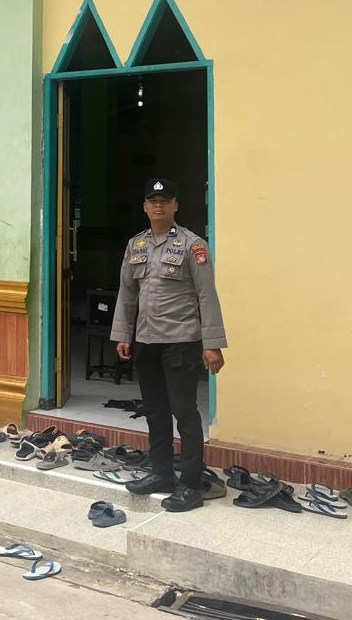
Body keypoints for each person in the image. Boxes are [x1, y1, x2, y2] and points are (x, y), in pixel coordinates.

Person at [111, 178, 227, 513]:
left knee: (184, 413)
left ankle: (190, 485)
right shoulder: (136, 245)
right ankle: (161, 474)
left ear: (175, 205)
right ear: (145, 207)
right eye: (153, 201)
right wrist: (123, 334)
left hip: (181, 342)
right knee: (155, 411)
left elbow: (206, 295)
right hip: (146, 342)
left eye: (164, 201)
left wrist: (212, 344)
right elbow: (127, 292)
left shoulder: (193, 245)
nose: (158, 206)